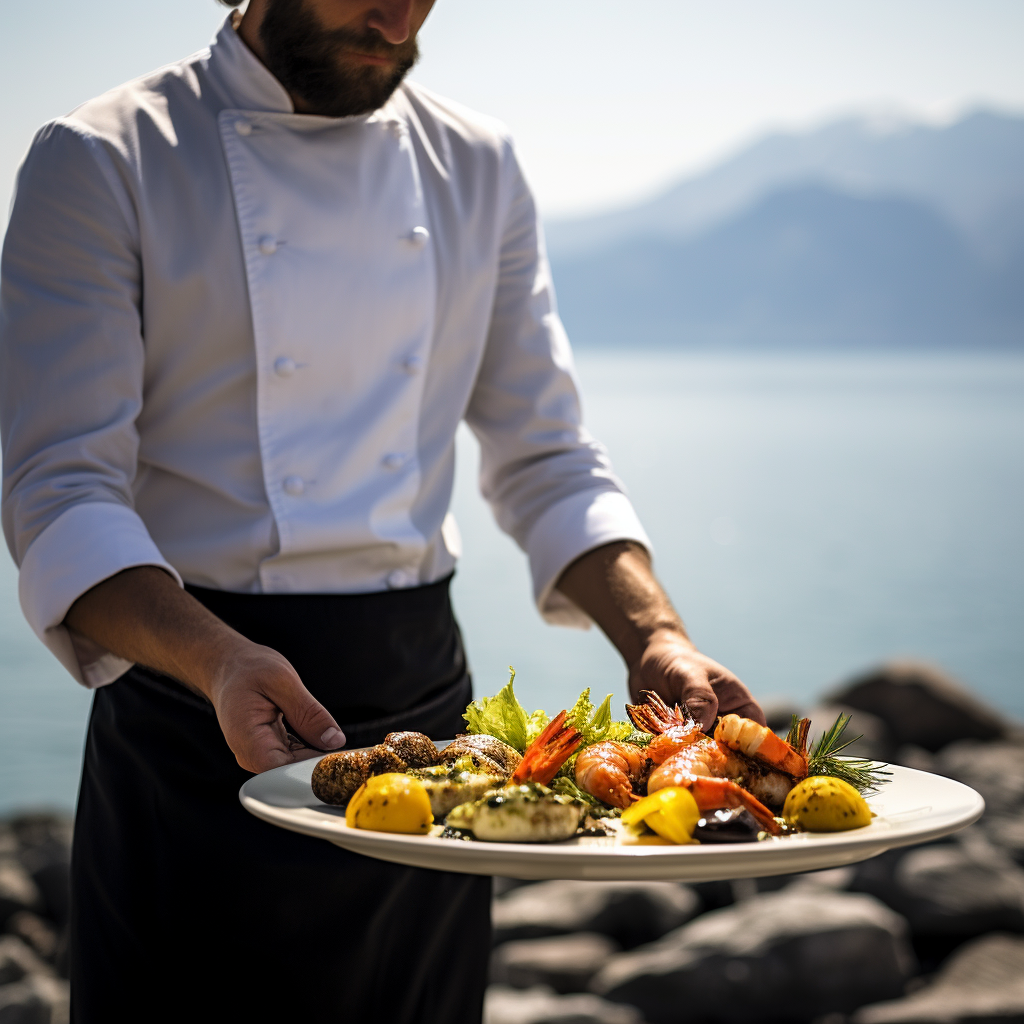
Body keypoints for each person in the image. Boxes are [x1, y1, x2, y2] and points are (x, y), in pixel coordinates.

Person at [0, 1, 765, 1020]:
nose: (400, 12)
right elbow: (59, 489)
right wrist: (219, 660)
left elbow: (547, 455)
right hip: (197, 719)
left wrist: (654, 636)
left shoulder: (475, 164)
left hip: (428, 724)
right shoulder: (103, 159)